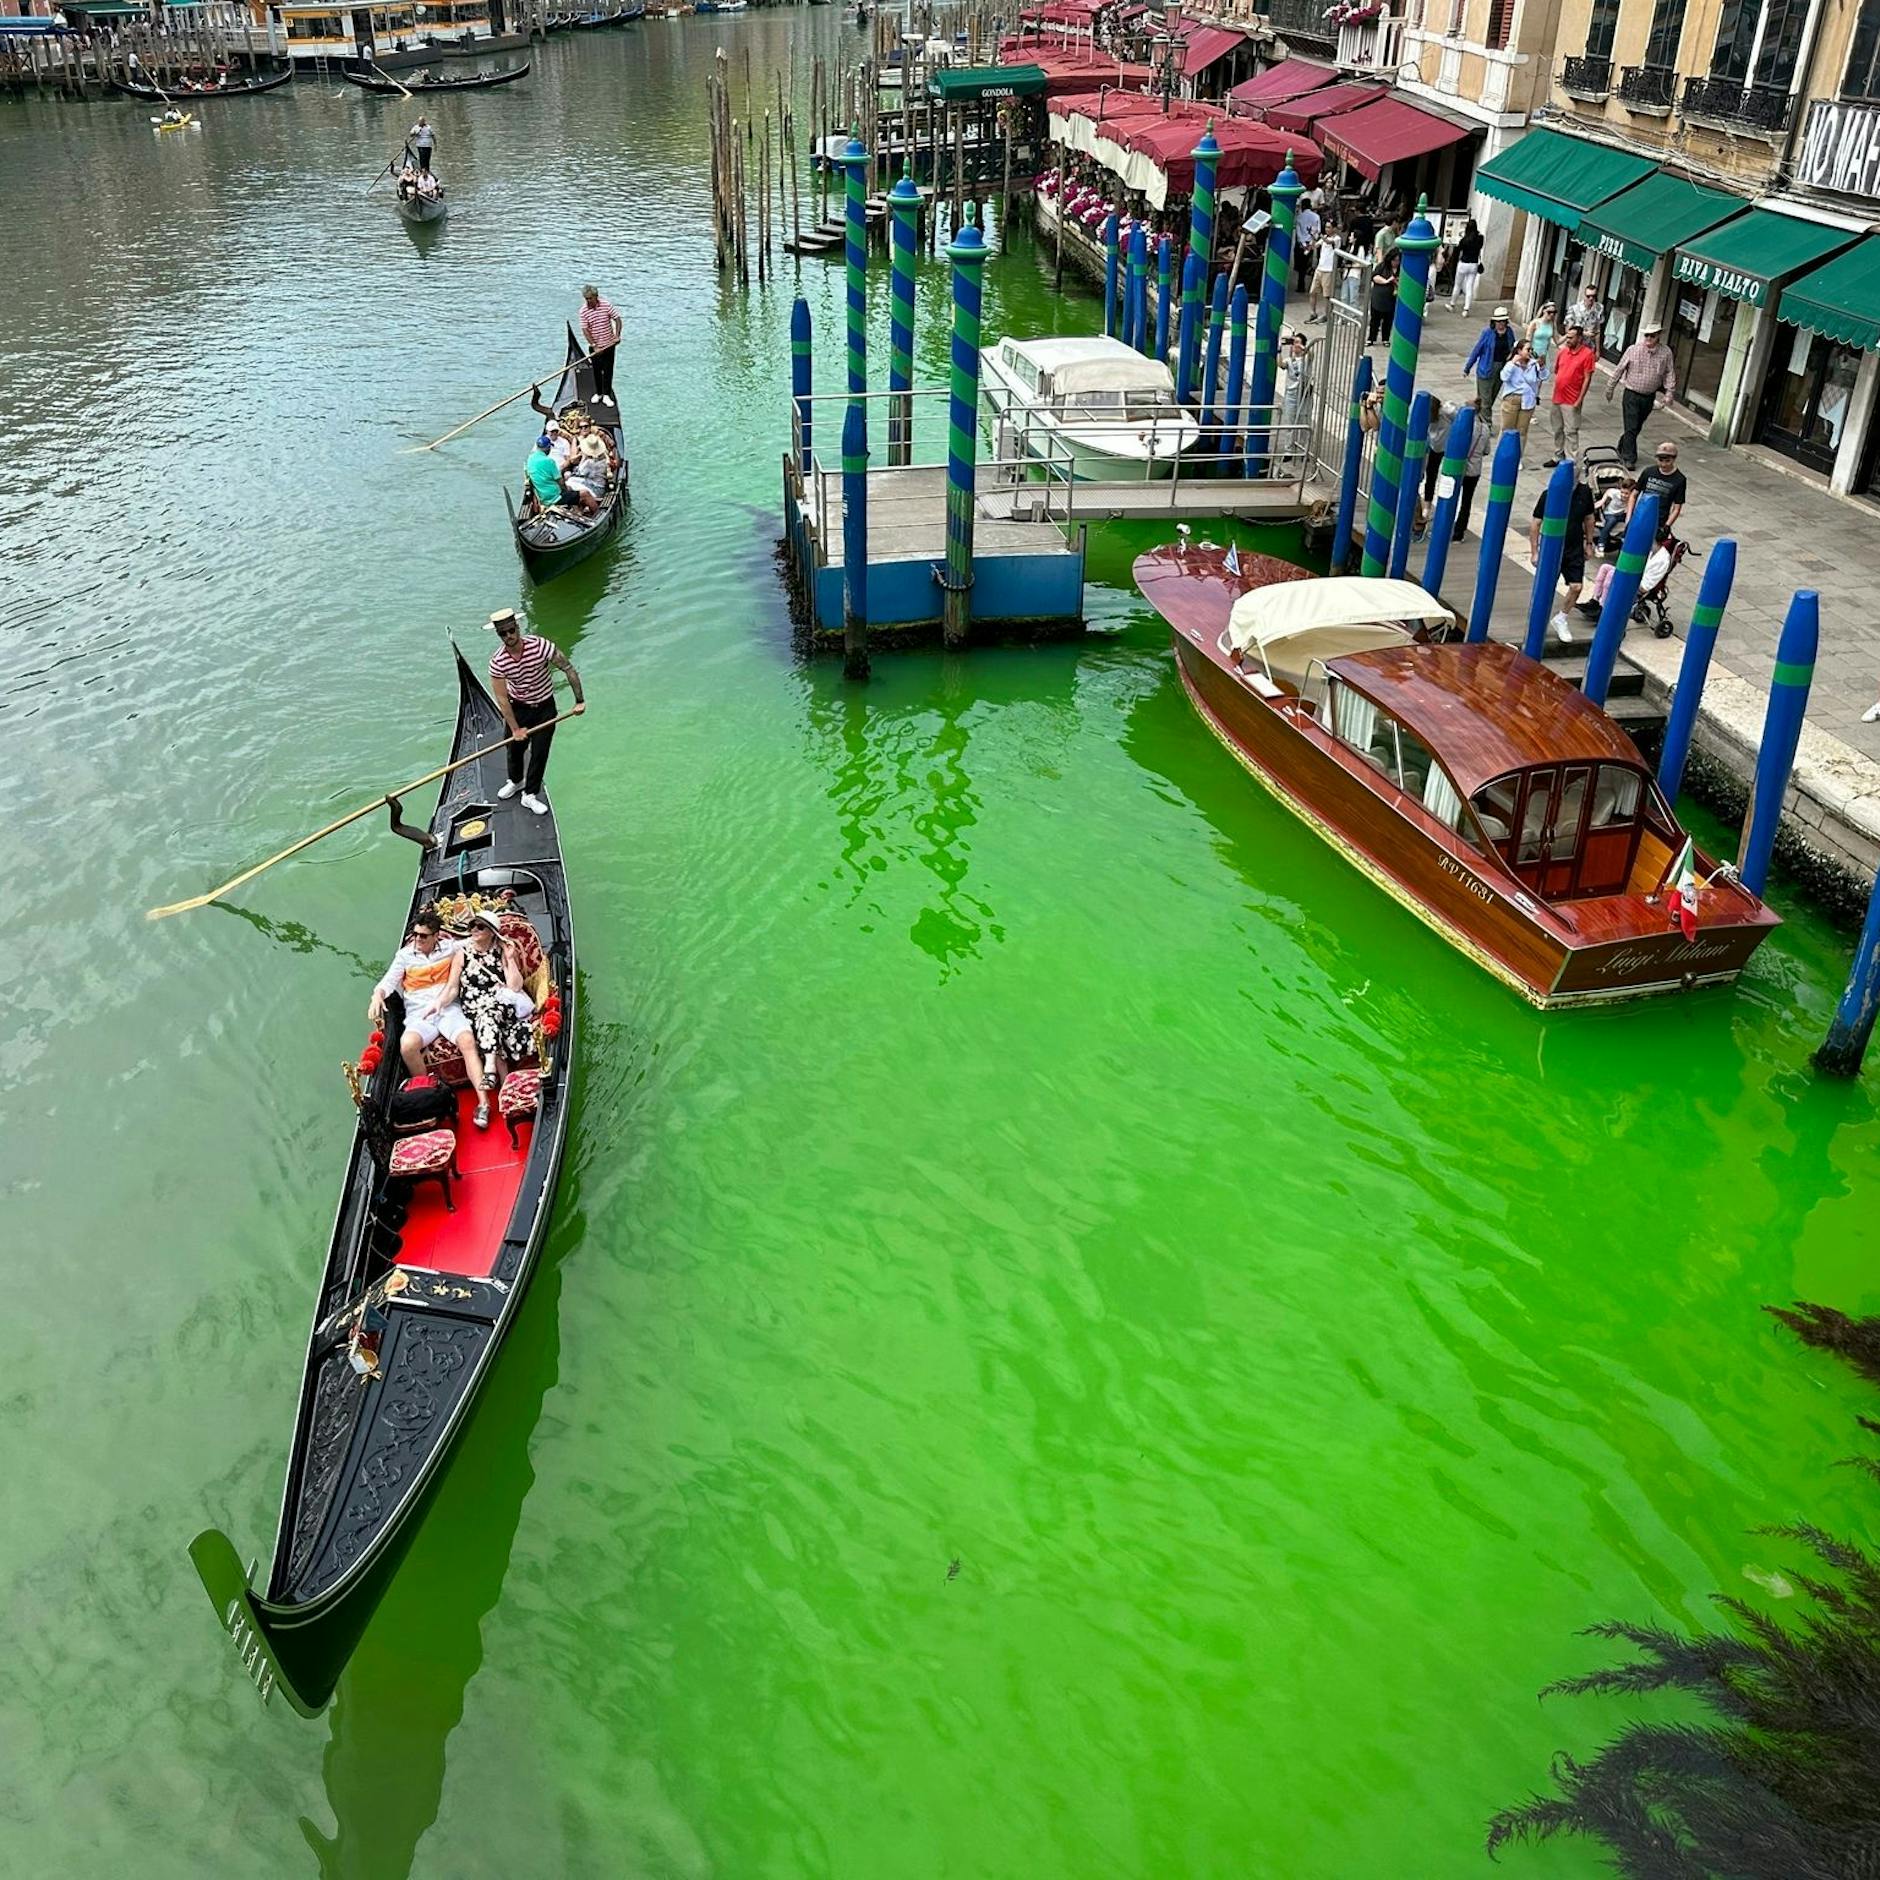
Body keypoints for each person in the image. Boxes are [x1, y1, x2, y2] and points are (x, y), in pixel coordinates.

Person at [369, 911, 489, 1099]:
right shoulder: (404, 956)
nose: (417, 939)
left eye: (423, 936)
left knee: (467, 1041)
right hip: (420, 1015)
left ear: (436, 936)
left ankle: (484, 1102)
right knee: (407, 1046)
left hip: (447, 1008)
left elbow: (473, 941)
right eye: (415, 934)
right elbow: (388, 982)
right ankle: (428, 1095)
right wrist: (377, 995)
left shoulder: (449, 948)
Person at [486, 609, 586, 816]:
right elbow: (502, 699)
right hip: (518, 707)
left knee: (540, 753)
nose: (508, 636)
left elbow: (568, 668)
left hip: (545, 708)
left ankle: (529, 795)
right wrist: (515, 729)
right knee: (514, 750)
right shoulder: (497, 661)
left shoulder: (540, 646)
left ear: (517, 627)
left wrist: (579, 701)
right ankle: (515, 781)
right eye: (503, 633)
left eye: (511, 630)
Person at [456, 911, 537, 1124]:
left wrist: (510, 959)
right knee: (487, 1021)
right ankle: (502, 1088)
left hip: (501, 1006)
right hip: (474, 1010)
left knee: (489, 1015)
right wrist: (435, 1006)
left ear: (492, 932)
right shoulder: (462, 952)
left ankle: (491, 1069)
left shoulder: (501, 950)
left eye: (480, 927)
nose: (474, 930)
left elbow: (515, 986)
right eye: (472, 926)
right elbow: (451, 987)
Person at [1529, 465, 1597, 643]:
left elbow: (1589, 518)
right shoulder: (1548, 494)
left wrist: (1589, 543)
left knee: (1576, 586)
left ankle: (1561, 618)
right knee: (1546, 586)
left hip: (1574, 546)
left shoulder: (1584, 492)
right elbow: (1536, 523)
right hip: (1552, 546)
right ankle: (1537, 621)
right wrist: (1535, 551)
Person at [1605, 321, 1677, 468]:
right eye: (1647, 335)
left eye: (1652, 335)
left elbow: (1669, 372)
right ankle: (1629, 458)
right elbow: (1619, 369)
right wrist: (1610, 387)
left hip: (1649, 396)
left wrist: (1669, 392)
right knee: (1631, 426)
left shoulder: (1666, 352)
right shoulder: (1633, 349)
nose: (1649, 338)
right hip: (1631, 394)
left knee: (1636, 427)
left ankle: (1622, 446)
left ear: (1658, 336)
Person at [1543, 321, 1595, 467]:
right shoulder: (1563, 351)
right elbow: (1557, 371)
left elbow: (1587, 378)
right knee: (1557, 428)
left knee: (1571, 431)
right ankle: (1558, 455)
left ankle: (1572, 460)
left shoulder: (1587, 354)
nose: (1568, 340)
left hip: (1572, 399)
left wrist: (1579, 399)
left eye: (1571, 337)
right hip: (1557, 397)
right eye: (1567, 337)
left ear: (1579, 338)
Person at [1463, 306, 1517, 427]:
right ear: (1494, 322)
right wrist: (1468, 367)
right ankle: (1487, 424)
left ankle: (1478, 417)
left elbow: (1513, 348)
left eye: (1503, 321)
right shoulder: (1487, 333)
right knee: (1485, 400)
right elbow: (1477, 350)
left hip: (1501, 369)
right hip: (1486, 369)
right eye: (1498, 321)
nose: (1500, 324)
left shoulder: (1509, 332)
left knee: (1491, 397)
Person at [1629, 440, 1687, 537]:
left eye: (1667, 461)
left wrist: (1667, 526)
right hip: (1640, 517)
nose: (1663, 464)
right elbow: (1634, 495)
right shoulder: (1648, 472)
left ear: (1674, 459)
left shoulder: (1680, 480)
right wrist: (1629, 518)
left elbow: (1676, 508)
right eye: (1660, 460)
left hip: (1659, 521)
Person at [578, 283, 622, 402]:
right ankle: (598, 393)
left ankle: (607, 395)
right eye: (586, 299)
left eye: (590, 298)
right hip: (595, 346)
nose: (588, 301)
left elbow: (617, 319)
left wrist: (617, 336)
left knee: (608, 370)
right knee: (597, 370)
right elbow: (585, 330)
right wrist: (594, 346)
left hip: (609, 344)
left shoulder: (606, 305)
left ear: (596, 296)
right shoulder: (583, 311)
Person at [1498, 339, 1543, 441]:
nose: (1530, 352)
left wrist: (1542, 367)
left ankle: (1518, 454)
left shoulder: (1533, 364)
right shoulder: (1512, 364)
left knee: (1522, 432)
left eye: (1531, 349)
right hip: (1512, 399)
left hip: (1528, 400)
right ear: (1519, 351)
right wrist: (1513, 363)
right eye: (1528, 349)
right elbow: (1504, 377)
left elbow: (1543, 377)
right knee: (1507, 430)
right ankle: (1502, 454)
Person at [1454, 413, 1487, 540]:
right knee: (1466, 501)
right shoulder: (1484, 429)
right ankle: (1460, 531)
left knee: (1451, 497)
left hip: (1458, 469)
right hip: (1474, 470)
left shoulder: (1459, 427)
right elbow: (1487, 450)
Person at [1447, 218, 1484, 315]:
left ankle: (1452, 304)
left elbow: (1458, 251)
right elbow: (1480, 247)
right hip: (1474, 264)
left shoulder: (1464, 240)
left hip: (1463, 263)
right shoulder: (1480, 238)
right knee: (1469, 287)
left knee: (1457, 285)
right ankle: (1466, 309)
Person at [1366, 251, 1399, 346]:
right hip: (1379, 296)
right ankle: (1371, 338)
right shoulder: (1382, 266)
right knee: (1375, 319)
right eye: (1394, 260)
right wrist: (1387, 281)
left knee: (1388, 320)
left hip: (1391, 298)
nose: (1396, 262)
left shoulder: (1401, 269)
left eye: (1398, 260)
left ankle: (1385, 338)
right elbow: (1374, 276)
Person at [1593, 475, 1632, 554]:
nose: (1623, 495)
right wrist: (1601, 501)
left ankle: (1624, 539)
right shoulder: (1615, 493)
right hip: (1610, 513)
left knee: (1631, 521)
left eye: (1626, 494)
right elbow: (1608, 492)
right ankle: (1601, 543)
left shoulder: (1632, 498)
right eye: (1622, 492)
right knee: (1612, 520)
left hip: (1621, 514)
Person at [1309, 223, 1338, 321]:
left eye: (1329, 227)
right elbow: (1315, 246)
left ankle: (1327, 315)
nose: (1327, 229)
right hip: (1319, 268)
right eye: (1326, 227)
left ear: (1334, 228)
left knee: (1327, 295)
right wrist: (1312, 237)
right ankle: (1313, 313)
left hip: (1328, 270)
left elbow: (1329, 242)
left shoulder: (1337, 239)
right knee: (1312, 292)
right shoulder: (1324, 237)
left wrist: (1319, 234)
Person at [1293, 200, 1321, 293]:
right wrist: (1311, 243)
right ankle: (1307, 284)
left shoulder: (1299, 217)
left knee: (1300, 265)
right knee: (1306, 265)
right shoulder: (1316, 217)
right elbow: (1317, 231)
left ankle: (1300, 284)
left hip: (1301, 244)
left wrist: (1303, 243)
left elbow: (1298, 231)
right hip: (1310, 242)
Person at [1570, 282, 1606, 350]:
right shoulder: (1575, 309)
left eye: (1593, 296)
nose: (1591, 298)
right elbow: (1569, 330)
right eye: (1588, 296)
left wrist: (1597, 350)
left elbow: (1598, 330)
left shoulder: (1599, 308)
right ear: (1584, 296)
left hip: (1589, 347)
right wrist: (1584, 333)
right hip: (1576, 345)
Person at [1526, 300, 1557, 370]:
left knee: (1541, 377)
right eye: (1549, 312)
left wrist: (1568, 334)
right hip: (1533, 353)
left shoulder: (1552, 324)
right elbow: (1527, 340)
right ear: (1544, 311)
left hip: (1544, 355)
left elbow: (1557, 341)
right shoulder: (1535, 323)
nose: (1552, 315)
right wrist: (1530, 354)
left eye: (1554, 312)